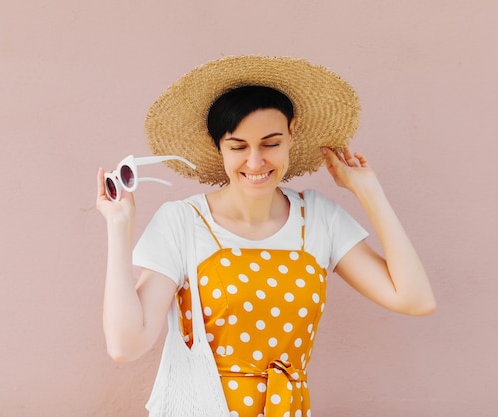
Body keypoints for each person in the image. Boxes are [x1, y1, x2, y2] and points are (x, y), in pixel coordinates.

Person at [96, 56, 436, 417]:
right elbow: (125, 345)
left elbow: (415, 300)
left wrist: (369, 192)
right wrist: (119, 226)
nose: (255, 162)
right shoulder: (182, 222)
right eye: (238, 146)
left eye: (270, 143)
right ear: (219, 148)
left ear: (292, 133)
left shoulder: (319, 219)